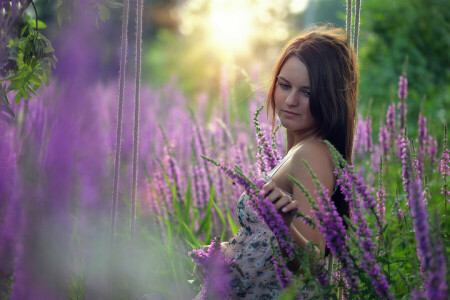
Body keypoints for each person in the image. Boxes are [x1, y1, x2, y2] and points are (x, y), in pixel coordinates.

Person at [194, 25, 358, 299]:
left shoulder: (313, 153)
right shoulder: (301, 151)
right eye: (284, 85)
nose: (290, 100)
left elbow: (309, 263)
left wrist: (282, 224)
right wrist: (224, 257)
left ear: (331, 97)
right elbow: (263, 244)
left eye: (307, 92)